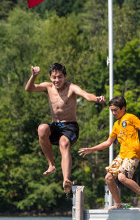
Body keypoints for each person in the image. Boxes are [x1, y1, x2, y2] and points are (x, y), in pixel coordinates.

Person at [24, 63, 106, 193]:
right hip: (55, 126)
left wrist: (97, 98)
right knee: (42, 129)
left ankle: (66, 180)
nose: (57, 80)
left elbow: (86, 95)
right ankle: (51, 164)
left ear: (65, 76)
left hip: (70, 127)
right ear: (50, 77)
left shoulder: (71, 88)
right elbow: (29, 88)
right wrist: (33, 76)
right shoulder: (48, 87)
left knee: (64, 142)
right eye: (54, 77)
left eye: (60, 77)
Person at [78, 95, 140, 209]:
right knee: (108, 177)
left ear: (123, 108)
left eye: (115, 110)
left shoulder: (130, 117)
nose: (113, 113)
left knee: (122, 177)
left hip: (133, 153)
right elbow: (108, 142)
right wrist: (91, 149)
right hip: (122, 155)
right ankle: (118, 204)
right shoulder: (116, 125)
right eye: (111, 111)